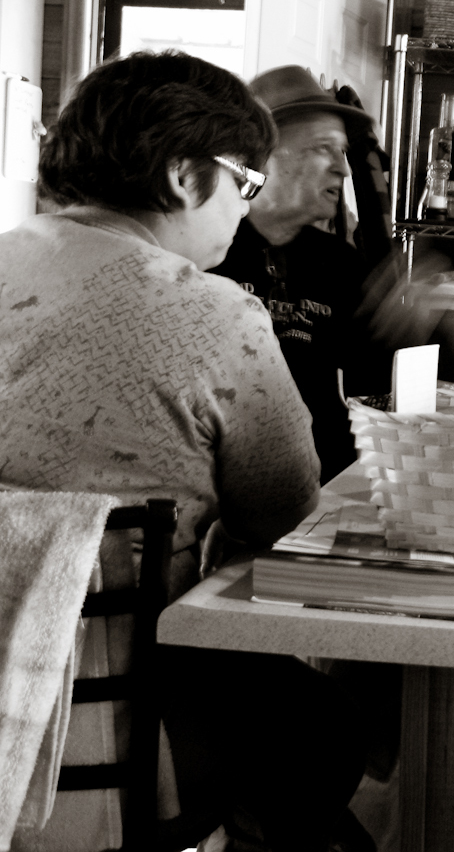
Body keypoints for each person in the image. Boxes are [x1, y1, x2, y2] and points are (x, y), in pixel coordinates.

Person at [0, 51, 370, 851]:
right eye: (243, 181)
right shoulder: (214, 313)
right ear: (182, 176)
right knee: (328, 731)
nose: (245, 206)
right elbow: (281, 511)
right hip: (110, 732)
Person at [211, 65, 396, 485]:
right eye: (323, 149)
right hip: (225, 490)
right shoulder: (209, 252)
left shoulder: (340, 263)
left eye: (342, 152)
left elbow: (375, 390)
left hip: (327, 483)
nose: (343, 169)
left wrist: (411, 329)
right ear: (265, 156)